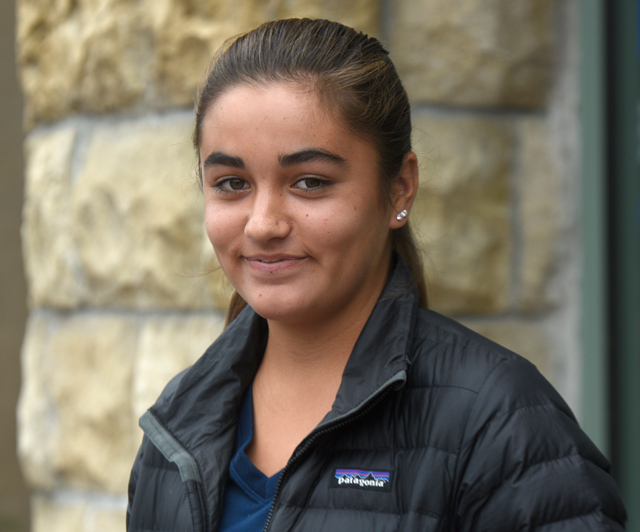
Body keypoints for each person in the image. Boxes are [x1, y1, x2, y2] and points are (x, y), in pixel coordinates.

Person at [126, 18, 626, 532]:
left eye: (310, 182)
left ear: (400, 187)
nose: (263, 225)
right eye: (232, 183)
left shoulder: (501, 419)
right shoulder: (176, 425)